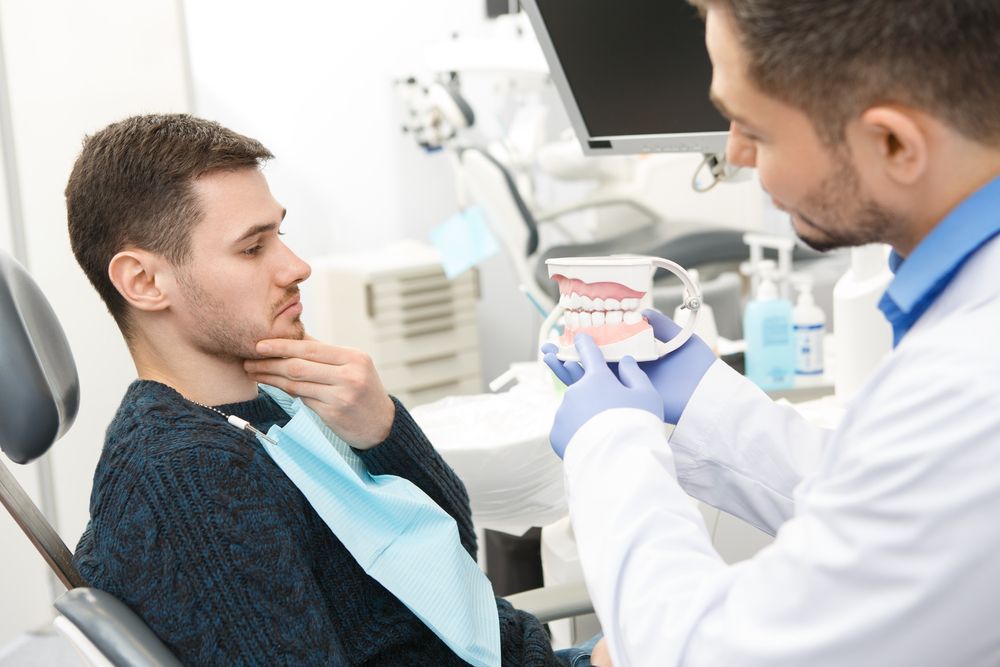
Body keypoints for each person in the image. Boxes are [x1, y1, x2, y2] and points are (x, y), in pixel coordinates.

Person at [543, 1, 1000, 665]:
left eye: (752, 126)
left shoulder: (968, 380)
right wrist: (703, 400)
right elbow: (889, 515)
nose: (733, 151)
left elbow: (705, 653)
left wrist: (609, 446)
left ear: (894, 143)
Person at [66, 113, 608, 666]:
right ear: (144, 282)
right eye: (253, 248)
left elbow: (448, 573)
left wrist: (382, 430)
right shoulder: (189, 477)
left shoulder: (271, 403)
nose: (296, 267)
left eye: (280, 233)